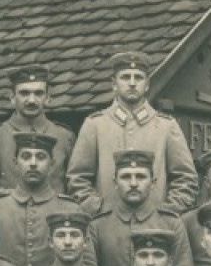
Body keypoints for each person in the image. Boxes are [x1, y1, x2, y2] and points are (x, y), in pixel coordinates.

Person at [67, 50, 198, 214]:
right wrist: (99, 211)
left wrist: (166, 213)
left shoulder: (166, 126)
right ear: (114, 83)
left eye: (138, 77)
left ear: (147, 84)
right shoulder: (95, 125)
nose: (132, 83)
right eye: (125, 77)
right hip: (107, 227)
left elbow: (186, 179)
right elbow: (77, 179)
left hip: (156, 228)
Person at [88, 150, 198, 266]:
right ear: (115, 183)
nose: (133, 183)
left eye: (140, 177)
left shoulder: (171, 224)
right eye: (126, 177)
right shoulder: (98, 226)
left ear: (153, 182)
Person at [0, 133, 90, 266]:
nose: (33, 163)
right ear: (15, 162)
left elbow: (87, 264)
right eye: (26, 157)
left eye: (41, 157)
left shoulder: (71, 208)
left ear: (52, 163)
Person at [0, 64, 75, 196]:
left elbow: (74, 186)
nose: (31, 100)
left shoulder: (65, 136)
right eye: (24, 93)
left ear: (48, 98)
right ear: (12, 98)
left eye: (38, 93)